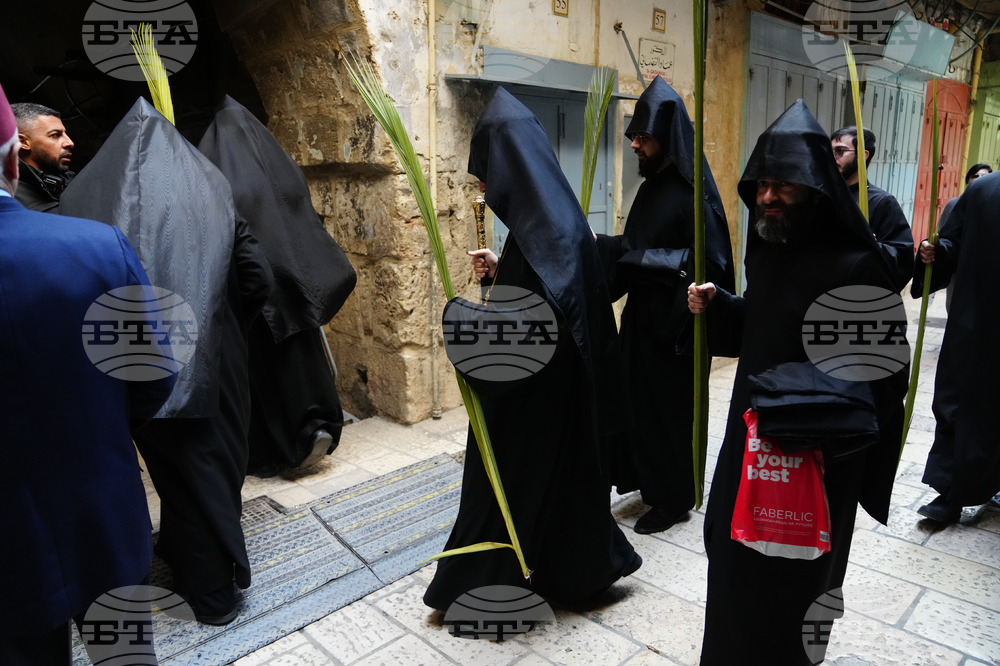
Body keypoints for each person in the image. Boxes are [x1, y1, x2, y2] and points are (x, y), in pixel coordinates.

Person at [688, 100, 906, 664]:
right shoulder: (767, 248)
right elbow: (764, 330)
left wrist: (813, 416)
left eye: (783, 184)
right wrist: (721, 307)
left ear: (815, 187)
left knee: (793, 590)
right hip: (749, 446)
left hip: (815, 462)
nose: (768, 196)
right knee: (732, 568)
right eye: (762, 184)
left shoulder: (857, 265)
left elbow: (882, 380)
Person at [423, 87, 641, 612]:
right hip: (560, 401)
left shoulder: (548, 230)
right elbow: (548, 298)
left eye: (486, 172)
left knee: (510, 487)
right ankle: (572, 572)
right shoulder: (552, 221)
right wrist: (502, 273)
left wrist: (464, 323)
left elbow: (540, 331)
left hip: (540, 404)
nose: (482, 185)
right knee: (561, 490)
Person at [60, 98, 274, 625]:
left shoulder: (81, 202)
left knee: (174, 476)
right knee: (212, 474)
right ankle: (213, 596)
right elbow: (258, 279)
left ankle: (178, 553)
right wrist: (229, 325)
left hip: (131, 370)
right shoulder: (211, 193)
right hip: (213, 361)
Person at [0, 83, 175, 664]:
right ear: (14, 156)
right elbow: (152, 375)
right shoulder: (97, 246)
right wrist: (98, 426)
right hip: (100, 505)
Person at [595, 76, 735, 534]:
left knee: (669, 414)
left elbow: (707, 263)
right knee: (639, 407)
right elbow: (635, 246)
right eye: (633, 135)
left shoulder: (695, 194)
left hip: (676, 329)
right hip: (642, 321)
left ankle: (673, 498)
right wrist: (598, 247)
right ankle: (648, 481)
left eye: (643, 136)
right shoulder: (653, 186)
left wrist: (637, 261)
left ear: (667, 138)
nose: (634, 144)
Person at [197, 96, 357, 476]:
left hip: (255, 294)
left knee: (264, 376)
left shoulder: (214, 174)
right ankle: (318, 427)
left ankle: (277, 449)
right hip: (295, 283)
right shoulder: (279, 169)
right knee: (305, 360)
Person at [912, 168, 1000, 524]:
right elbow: (952, 243)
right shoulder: (983, 190)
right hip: (977, 319)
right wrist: (934, 251)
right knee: (957, 403)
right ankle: (950, 492)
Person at [831, 125, 914, 291]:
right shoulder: (822, 196)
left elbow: (902, 259)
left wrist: (871, 245)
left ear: (863, 155)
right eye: (830, 151)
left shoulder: (882, 202)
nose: (832, 158)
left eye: (840, 151)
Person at [938, 163, 991, 312]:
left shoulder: (992, 206)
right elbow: (944, 238)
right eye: (975, 176)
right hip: (958, 269)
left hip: (985, 270)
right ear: (968, 180)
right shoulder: (954, 205)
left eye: (984, 177)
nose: (978, 179)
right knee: (954, 308)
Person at [10, 102, 74, 212]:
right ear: (23, 142)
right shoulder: (10, 203)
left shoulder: (66, 181)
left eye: (65, 134)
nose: (70, 143)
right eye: (55, 135)